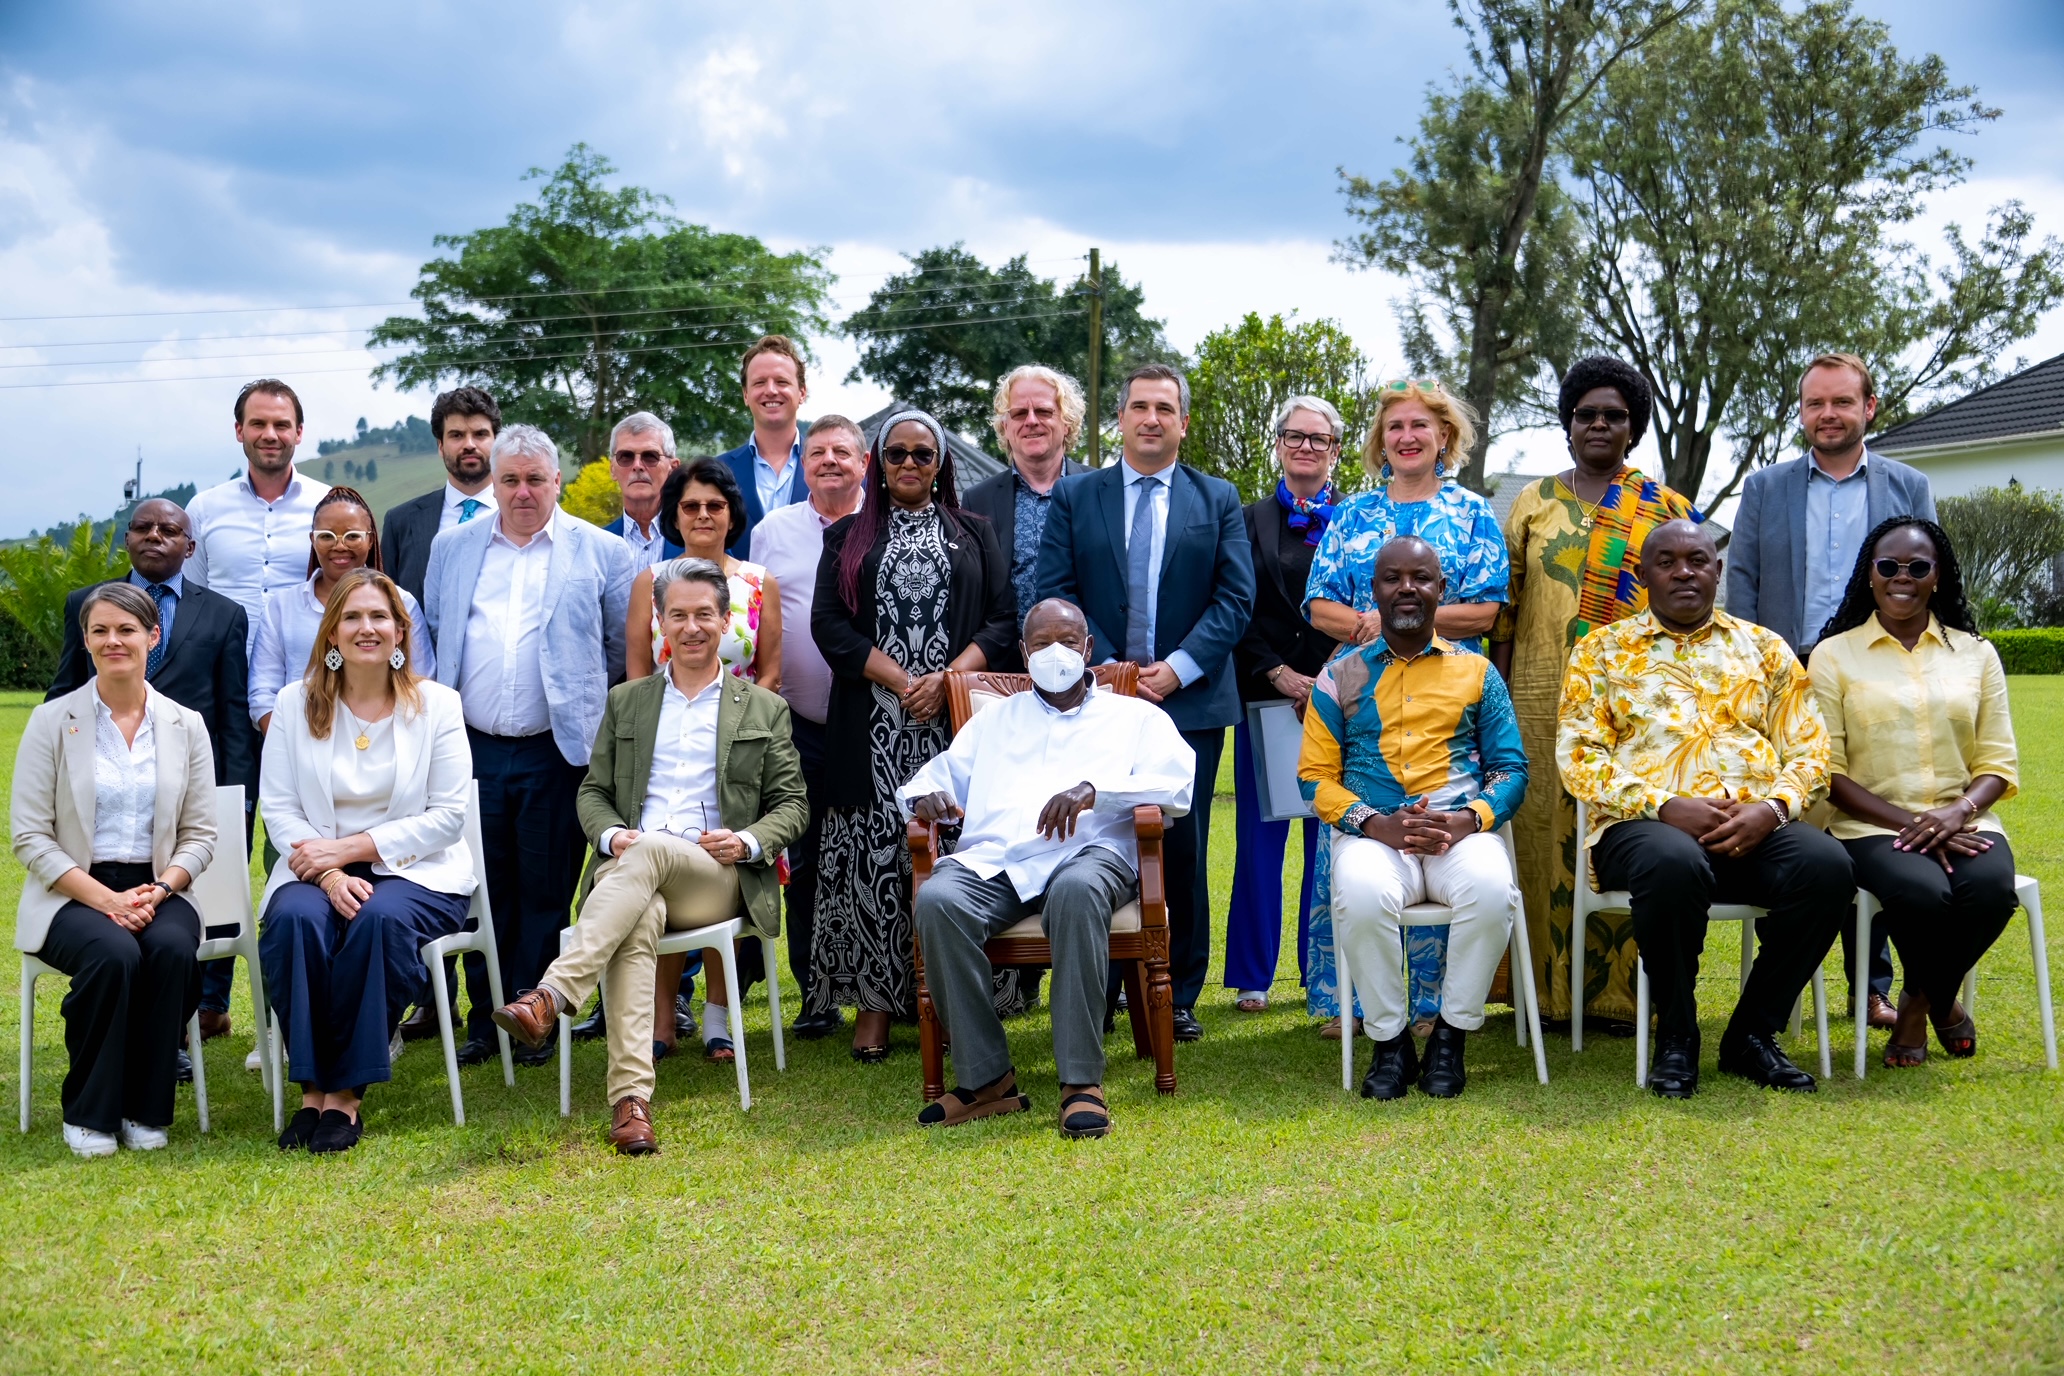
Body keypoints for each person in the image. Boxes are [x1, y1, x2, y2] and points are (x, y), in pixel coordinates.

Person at [488, 559, 809, 1155]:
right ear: (660, 622)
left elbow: (792, 805)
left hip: (715, 873)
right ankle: (631, 1105)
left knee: (654, 854)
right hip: (634, 871)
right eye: (678, 615)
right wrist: (612, 837)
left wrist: (746, 842)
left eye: (704, 615)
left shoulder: (762, 708)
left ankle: (551, 995)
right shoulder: (628, 701)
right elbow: (593, 792)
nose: (691, 627)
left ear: (725, 620)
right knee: (637, 919)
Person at [1559, 520, 1851, 1098]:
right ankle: (1677, 1033)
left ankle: (1752, 1034)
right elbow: (1577, 756)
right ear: (1643, 575)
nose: (1684, 571)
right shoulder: (1601, 652)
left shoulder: (1765, 648)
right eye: (1666, 562)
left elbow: (1812, 749)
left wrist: (1773, 808)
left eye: (1697, 560)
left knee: (1827, 868)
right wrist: (1664, 805)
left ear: (1718, 571)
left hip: (1755, 824)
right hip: (1642, 830)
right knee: (1672, 863)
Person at [904, 599, 1196, 1138]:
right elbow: (934, 777)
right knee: (938, 899)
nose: (1055, 654)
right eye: (1041, 644)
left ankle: (1081, 1082)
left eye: (1067, 642)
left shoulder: (1136, 716)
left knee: (1077, 891)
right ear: (1023, 652)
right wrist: (924, 798)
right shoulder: (995, 719)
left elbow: (1177, 788)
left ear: (1088, 648)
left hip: (1093, 856)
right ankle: (987, 1079)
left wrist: (1096, 792)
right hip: (999, 862)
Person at [1034, 364, 1254, 1044]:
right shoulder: (1076, 496)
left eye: (1165, 408)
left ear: (1183, 422)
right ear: (1120, 419)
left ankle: (1178, 991)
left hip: (1187, 704)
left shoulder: (1216, 499)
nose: (1151, 418)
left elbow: (1235, 597)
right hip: (1089, 701)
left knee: (1180, 849)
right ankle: (1094, 989)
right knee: (1089, 838)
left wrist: (1176, 671)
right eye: (1139, 407)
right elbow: (1053, 592)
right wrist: (1095, 672)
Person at [1488, 357, 1700, 1034]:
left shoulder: (1665, 509)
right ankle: (1540, 993)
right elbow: (1506, 614)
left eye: (1614, 415)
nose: (1599, 424)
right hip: (1538, 700)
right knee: (1540, 835)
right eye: (1587, 414)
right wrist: (1493, 707)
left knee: (1627, 832)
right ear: (1568, 424)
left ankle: (1623, 997)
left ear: (1633, 428)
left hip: (1639, 711)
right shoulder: (1533, 502)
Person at [1729, 352, 1938, 1029]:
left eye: (1841, 402)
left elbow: (1927, 575)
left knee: (1866, 821)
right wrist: (1757, 670)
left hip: (1873, 672)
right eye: (1816, 403)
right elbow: (1744, 585)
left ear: (1869, 407)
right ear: (1802, 412)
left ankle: (1869, 986)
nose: (1828, 415)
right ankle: (1784, 981)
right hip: (1785, 675)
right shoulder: (1766, 489)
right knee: (1787, 820)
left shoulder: (1908, 485)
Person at [1300, 378, 1507, 1038]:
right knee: (1362, 830)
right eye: (1395, 427)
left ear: (1445, 435)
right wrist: (1377, 624)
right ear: (1379, 441)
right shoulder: (1352, 514)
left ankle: (1432, 1009)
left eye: (1422, 425)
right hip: (1365, 690)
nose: (1408, 436)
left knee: (1442, 833)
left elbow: (1487, 607)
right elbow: (1319, 603)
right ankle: (1350, 1003)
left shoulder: (1473, 514)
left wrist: (1409, 613)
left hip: (1451, 695)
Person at [423, 424, 634, 1068]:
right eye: (509, 479)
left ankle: (533, 1010)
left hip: (557, 748)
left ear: (557, 482)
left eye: (534, 479)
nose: (521, 492)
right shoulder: (452, 548)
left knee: (546, 886)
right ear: (492, 481)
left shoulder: (601, 551)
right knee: (486, 887)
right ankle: (486, 1022)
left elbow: (620, 651)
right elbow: (437, 631)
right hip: (471, 746)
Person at [811, 407, 1018, 1061]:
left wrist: (948, 680)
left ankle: (959, 1003)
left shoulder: (975, 533)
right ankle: (873, 1008)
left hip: (954, 730)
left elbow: (1002, 620)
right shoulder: (845, 537)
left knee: (954, 859)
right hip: (871, 731)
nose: (907, 464)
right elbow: (828, 627)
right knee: (877, 860)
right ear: (878, 463)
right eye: (895, 454)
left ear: (940, 464)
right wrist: (904, 682)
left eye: (921, 455)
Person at [1299, 537, 1527, 1100]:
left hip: (1458, 833)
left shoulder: (1477, 673)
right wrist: (1374, 823)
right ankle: (1390, 1040)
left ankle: (1451, 1036)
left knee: (1495, 890)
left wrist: (1469, 819)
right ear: (1373, 592)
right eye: (1392, 578)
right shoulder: (1338, 677)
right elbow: (1314, 778)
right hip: (1376, 834)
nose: (1407, 588)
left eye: (1421, 578)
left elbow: (1511, 769)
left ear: (1439, 591)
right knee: (1356, 888)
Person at [256, 569, 476, 1154]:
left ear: (401, 632)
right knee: (295, 922)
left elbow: (448, 816)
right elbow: (278, 809)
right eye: (351, 617)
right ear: (331, 635)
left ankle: (346, 1096)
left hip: (417, 870)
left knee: (378, 919)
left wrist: (351, 852)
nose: (366, 628)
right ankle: (311, 1091)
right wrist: (327, 872)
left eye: (380, 617)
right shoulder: (293, 704)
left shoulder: (438, 706)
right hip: (312, 866)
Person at [12, 583, 217, 1158]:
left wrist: (163, 888)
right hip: (72, 890)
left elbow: (201, 832)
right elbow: (29, 835)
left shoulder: (185, 725)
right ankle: (88, 1111)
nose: (113, 641)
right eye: (100, 630)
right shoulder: (53, 721)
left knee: (172, 950)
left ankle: (145, 1109)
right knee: (114, 953)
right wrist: (105, 900)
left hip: (160, 884)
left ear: (154, 636)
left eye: (127, 629)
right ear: (85, 640)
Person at [47, 499, 258, 1052]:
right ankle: (125, 1026)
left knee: (194, 920)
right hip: (108, 799)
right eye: (143, 527)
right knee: (119, 929)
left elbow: (233, 712)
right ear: (127, 539)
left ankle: (199, 1020)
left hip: (190, 796)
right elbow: (62, 696)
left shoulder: (223, 615)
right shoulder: (86, 607)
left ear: (190, 547)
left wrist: (237, 796)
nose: (155, 536)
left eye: (171, 530)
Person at [1809, 518, 2019, 1068]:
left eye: (1917, 567)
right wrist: (1912, 823)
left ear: (1937, 577)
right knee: (1924, 892)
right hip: (1868, 825)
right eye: (1888, 566)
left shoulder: (1976, 654)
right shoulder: (1833, 655)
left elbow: (1997, 762)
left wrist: (1957, 812)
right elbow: (1828, 773)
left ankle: (1917, 1005)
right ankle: (1944, 1006)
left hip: (1964, 819)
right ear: (1869, 575)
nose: (1902, 577)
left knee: (1992, 892)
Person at [750, 413, 868, 1040]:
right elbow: (762, 619)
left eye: (841, 452)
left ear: (863, 463)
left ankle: (885, 987)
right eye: (816, 451)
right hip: (798, 724)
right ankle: (816, 991)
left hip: (876, 722)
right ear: (803, 465)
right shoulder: (774, 532)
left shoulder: (887, 526)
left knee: (874, 853)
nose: (828, 461)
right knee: (807, 858)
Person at [1224, 396, 1343, 1015]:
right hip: (1266, 698)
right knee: (1260, 839)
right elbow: (1233, 606)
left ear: (1335, 451)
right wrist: (1278, 672)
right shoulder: (1244, 520)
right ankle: (1252, 974)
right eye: (1294, 437)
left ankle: (1319, 963)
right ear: (1279, 444)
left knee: (1331, 837)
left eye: (1317, 439)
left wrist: (1324, 678)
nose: (1305, 447)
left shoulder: (1357, 523)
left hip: (1340, 700)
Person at [250, 486, 433, 732]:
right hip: (302, 740)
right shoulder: (283, 608)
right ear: (312, 540)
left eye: (352, 536)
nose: (339, 546)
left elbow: (421, 680)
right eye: (326, 536)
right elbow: (263, 693)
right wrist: (292, 745)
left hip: (386, 740)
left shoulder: (401, 603)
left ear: (370, 540)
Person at [185, 378, 334, 658]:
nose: (269, 435)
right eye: (258, 424)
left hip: (310, 669)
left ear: (299, 432)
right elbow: (191, 598)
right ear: (239, 430)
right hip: (222, 670)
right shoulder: (203, 509)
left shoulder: (328, 507)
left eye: (281, 425)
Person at [960, 365, 1090, 654]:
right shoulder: (976, 501)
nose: (1031, 421)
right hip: (1004, 667)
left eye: (1043, 412)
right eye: (1019, 413)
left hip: (1087, 666)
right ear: (1005, 427)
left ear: (1067, 422)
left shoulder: (1100, 491)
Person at [626, 459, 782, 689]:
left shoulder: (760, 584)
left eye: (715, 506)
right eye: (690, 506)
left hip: (742, 721)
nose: (703, 515)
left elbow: (771, 675)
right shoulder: (648, 583)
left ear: (732, 517)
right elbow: (638, 678)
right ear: (675, 518)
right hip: (664, 720)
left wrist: (742, 723)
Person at [382, 387, 501, 603]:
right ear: (440, 446)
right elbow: (385, 605)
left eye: (480, 434)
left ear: (497, 442)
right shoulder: (400, 523)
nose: (469, 445)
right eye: (457, 435)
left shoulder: (522, 517)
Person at [716, 335, 811, 556]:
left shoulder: (831, 469)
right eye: (759, 382)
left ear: (802, 393)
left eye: (782, 382)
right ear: (746, 395)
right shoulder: (717, 472)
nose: (770, 390)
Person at [602, 411, 684, 568]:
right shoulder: (595, 545)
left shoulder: (700, 538)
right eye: (626, 457)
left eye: (650, 456)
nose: (637, 466)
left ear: (673, 469)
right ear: (612, 469)